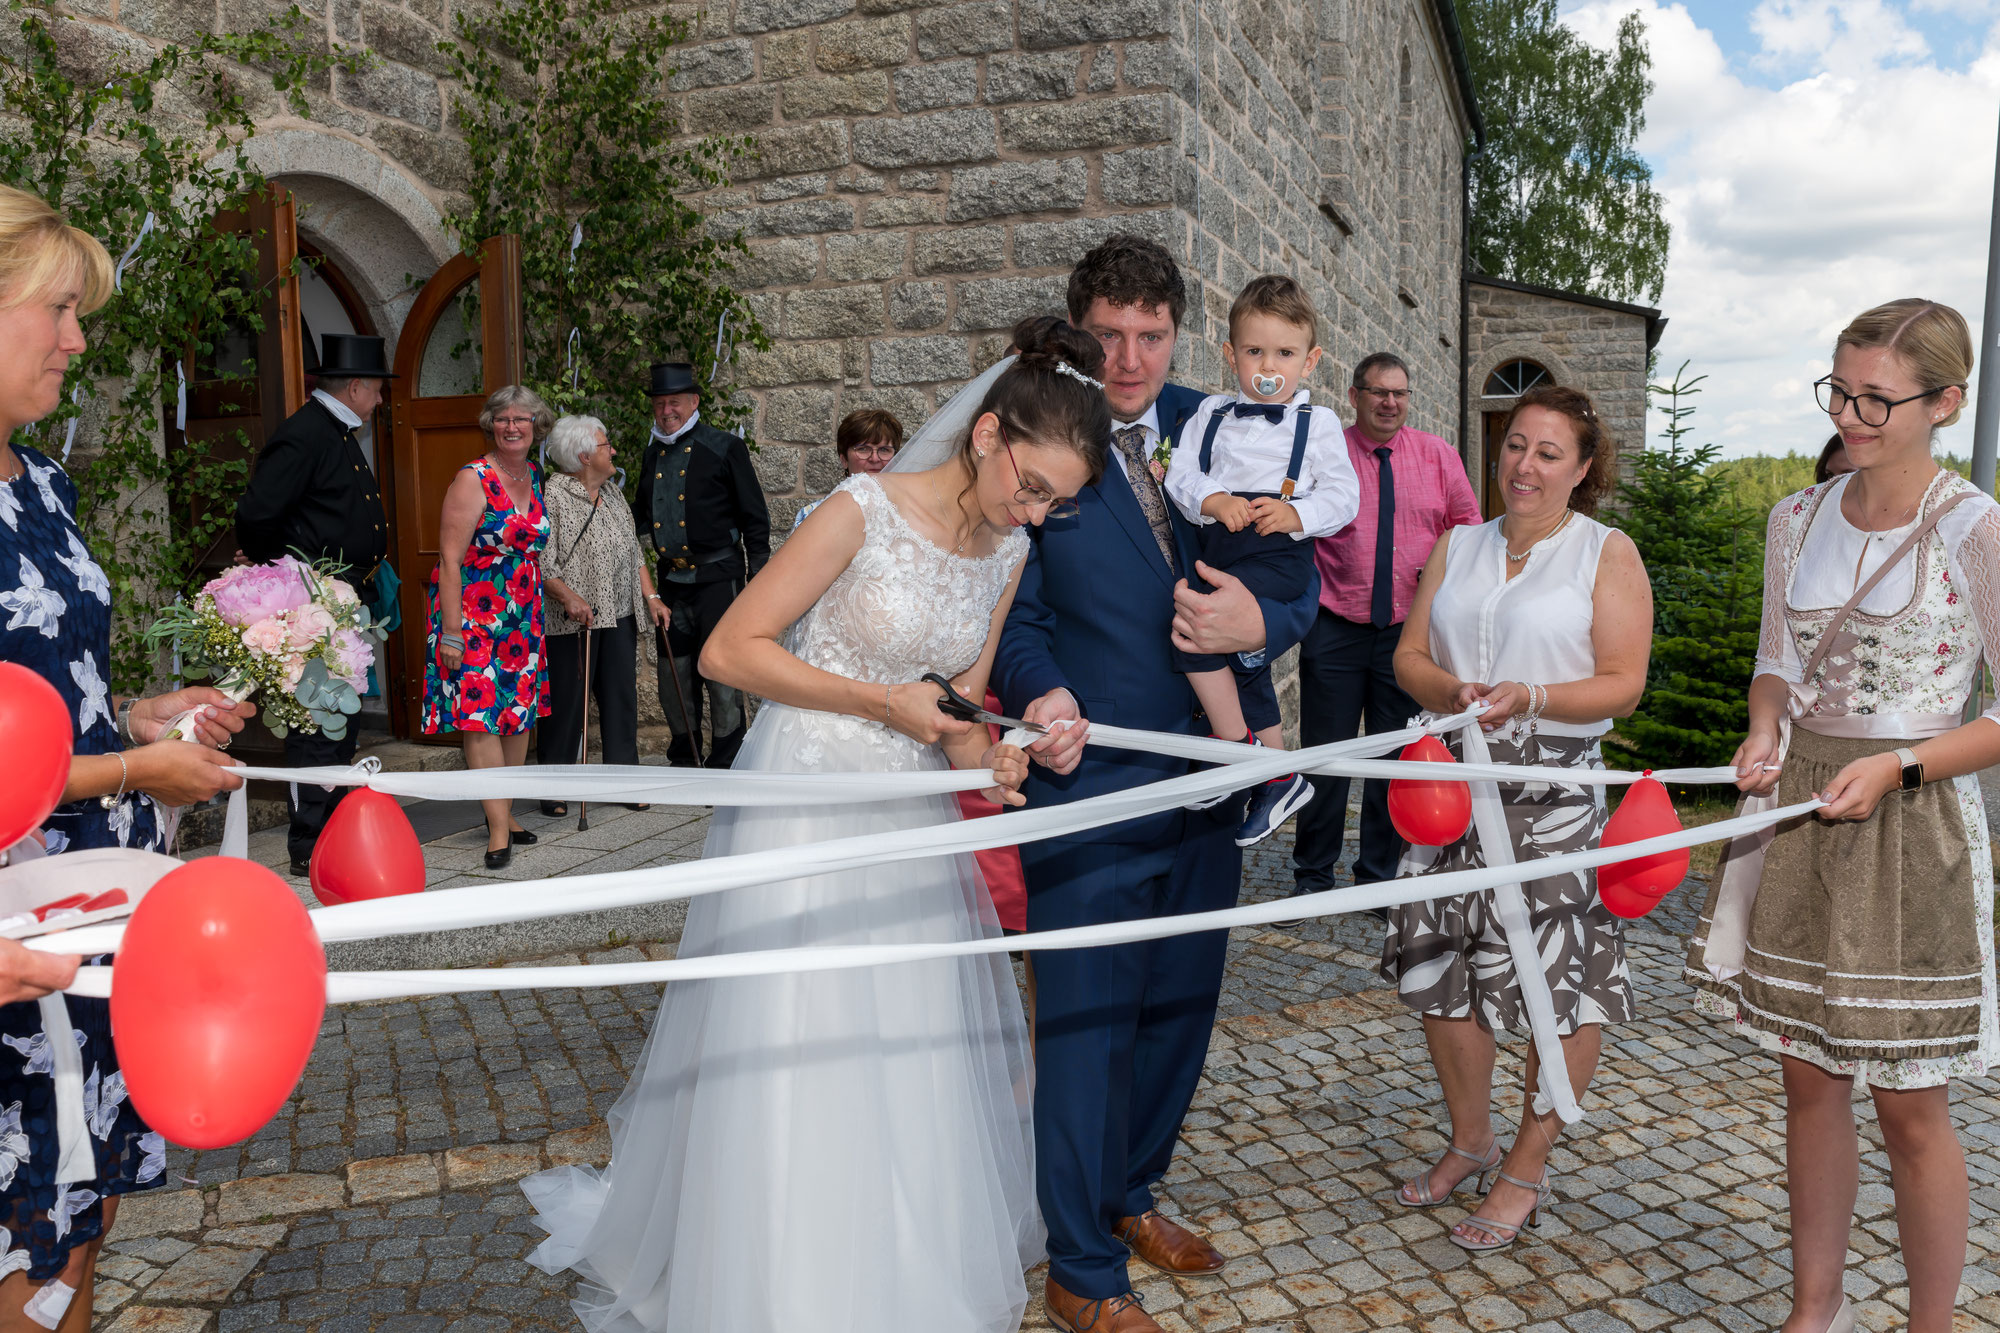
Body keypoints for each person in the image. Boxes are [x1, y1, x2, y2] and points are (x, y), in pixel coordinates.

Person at [521, 317, 1107, 1332]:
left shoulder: (1006, 550)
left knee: (901, 1049)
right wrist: (882, 704)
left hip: (907, 819)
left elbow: (960, 718)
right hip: (807, 797)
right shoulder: (858, 508)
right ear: (986, 438)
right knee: (803, 1038)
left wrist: (1006, 752)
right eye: (1034, 486)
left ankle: (891, 1270)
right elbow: (730, 652)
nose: (1040, 512)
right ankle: (774, 1281)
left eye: (1058, 499)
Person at [991, 235, 1321, 1333]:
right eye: (1107, 334)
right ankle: (1079, 1269)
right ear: (1078, 327)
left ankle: (1129, 1194)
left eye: (1149, 334)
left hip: (1210, 778)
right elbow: (1011, 618)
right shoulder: (1038, 438)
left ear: (1179, 334)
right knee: (1085, 1023)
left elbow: (1292, 574)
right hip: (1087, 790)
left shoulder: (1224, 419)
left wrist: (1260, 623)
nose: (1128, 358)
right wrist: (1038, 699)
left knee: (1176, 1008)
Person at [1688, 299, 2000, 1333]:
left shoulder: (1972, 529)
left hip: (1907, 824)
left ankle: (1930, 1327)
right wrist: (1763, 725)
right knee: (1806, 1076)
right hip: (1798, 809)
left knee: (1909, 1103)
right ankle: (1810, 1312)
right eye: (1840, 390)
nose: (1853, 414)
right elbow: (1775, 660)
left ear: (1943, 401)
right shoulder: (1795, 517)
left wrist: (1902, 766)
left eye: (1877, 397)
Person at [0, 183, 252, 1332]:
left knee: (80, 1217)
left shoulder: (38, 479)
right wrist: (131, 776)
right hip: (14, 926)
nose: (78, 339)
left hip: (94, 900)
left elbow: (50, 691)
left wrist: (143, 717)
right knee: (20, 1227)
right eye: (57, 309)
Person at [1384, 383, 1651, 1252]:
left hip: (1553, 792)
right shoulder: (1459, 544)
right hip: (1448, 783)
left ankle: (1526, 1170)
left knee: (1556, 985)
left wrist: (1531, 696)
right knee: (1439, 966)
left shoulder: (1605, 554)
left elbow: (1624, 682)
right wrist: (1451, 692)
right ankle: (1472, 1139)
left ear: (1582, 469)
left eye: (1547, 452)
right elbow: (1409, 655)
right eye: (1514, 446)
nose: (1524, 465)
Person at [1163, 274, 1358, 846]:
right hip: (1223, 543)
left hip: (1279, 553)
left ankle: (1234, 755)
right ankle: (1274, 772)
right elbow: (1182, 474)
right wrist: (1214, 500)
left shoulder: (1316, 424)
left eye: (1284, 352)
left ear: (1310, 360)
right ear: (1230, 355)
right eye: (1254, 351)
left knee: (1194, 633)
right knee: (1230, 651)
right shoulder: (1212, 416)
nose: (1267, 364)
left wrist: (1298, 515)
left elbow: (1343, 496)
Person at [1284, 350, 1481, 912]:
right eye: (1378, 392)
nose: (1389, 403)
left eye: (1399, 393)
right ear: (1355, 396)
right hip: (1335, 625)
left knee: (1395, 757)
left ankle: (1377, 878)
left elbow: (1466, 532)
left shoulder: (1438, 456)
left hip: (1408, 636)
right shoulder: (1329, 454)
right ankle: (1313, 875)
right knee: (1327, 754)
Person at [233, 331, 393, 876]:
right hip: (316, 604)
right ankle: (309, 843)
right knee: (315, 721)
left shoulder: (338, 431)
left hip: (347, 599)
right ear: (353, 388)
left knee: (340, 720)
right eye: (376, 390)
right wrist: (290, 577)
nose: (379, 400)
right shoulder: (305, 435)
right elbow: (257, 515)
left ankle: (333, 831)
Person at [423, 385, 552, 870]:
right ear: (490, 425)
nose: (512, 427)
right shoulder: (472, 479)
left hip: (521, 618)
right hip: (475, 617)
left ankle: (507, 811)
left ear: (536, 425)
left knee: (517, 717)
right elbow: (450, 560)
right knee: (480, 720)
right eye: (503, 420)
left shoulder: (533, 474)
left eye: (521, 419)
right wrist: (452, 633)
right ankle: (496, 827)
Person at [634, 362, 770, 770]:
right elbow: (639, 518)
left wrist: (757, 581)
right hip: (671, 583)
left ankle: (728, 758)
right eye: (659, 404)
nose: (666, 411)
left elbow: (754, 518)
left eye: (674, 401)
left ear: (693, 401)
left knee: (722, 673)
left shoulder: (724, 447)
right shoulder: (651, 454)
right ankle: (686, 758)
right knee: (673, 676)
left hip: (718, 579)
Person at [537, 414, 669, 817]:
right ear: (582, 455)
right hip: (573, 619)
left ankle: (622, 781)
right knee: (566, 703)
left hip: (619, 613)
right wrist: (567, 597)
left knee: (620, 698)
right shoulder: (553, 496)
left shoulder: (612, 494)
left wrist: (652, 596)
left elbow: (633, 553)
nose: (612, 450)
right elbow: (542, 561)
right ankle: (554, 787)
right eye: (604, 444)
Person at [792, 408, 906, 531]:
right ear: (844, 460)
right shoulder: (812, 515)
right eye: (863, 449)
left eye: (884, 450)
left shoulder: (909, 514)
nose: (874, 458)